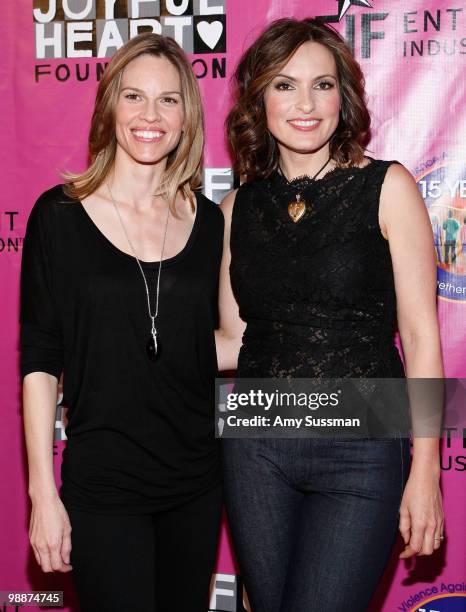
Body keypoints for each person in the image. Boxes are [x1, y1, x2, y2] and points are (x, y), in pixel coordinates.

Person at [215, 18, 444, 612]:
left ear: (344, 97)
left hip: (364, 446)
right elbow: (234, 341)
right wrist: (121, 337)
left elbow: (420, 337)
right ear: (258, 99)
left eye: (323, 84)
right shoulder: (235, 206)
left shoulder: (387, 186)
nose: (306, 104)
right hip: (255, 446)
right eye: (285, 85)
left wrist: (426, 470)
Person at [20, 33, 223, 612]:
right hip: (103, 487)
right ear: (109, 106)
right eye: (134, 97)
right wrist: (42, 492)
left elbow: (221, 341)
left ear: (186, 116)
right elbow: (40, 357)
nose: (150, 116)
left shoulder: (208, 222)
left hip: (196, 483)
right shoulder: (56, 216)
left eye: (168, 100)